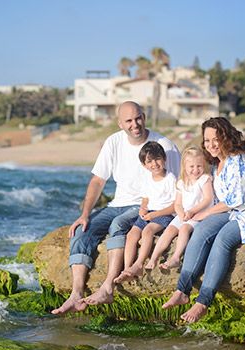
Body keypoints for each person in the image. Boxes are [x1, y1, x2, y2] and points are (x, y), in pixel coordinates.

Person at [51, 101, 180, 315]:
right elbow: (97, 181)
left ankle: (107, 287)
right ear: (120, 123)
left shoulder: (164, 145)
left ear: (144, 117)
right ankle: (76, 294)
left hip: (143, 207)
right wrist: (84, 215)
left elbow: (178, 185)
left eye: (138, 118)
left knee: (117, 226)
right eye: (128, 120)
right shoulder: (113, 142)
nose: (135, 124)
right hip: (116, 204)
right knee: (82, 231)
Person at [162, 117, 245, 323]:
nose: (210, 145)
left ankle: (203, 301)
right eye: (206, 140)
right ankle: (182, 290)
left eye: (215, 139)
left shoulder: (239, 160)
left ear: (225, 137)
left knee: (223, 239)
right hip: (236, 210)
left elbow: (237, 199)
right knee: (201, 231)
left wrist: (202, 214)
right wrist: (196, 214)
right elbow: (222, 201)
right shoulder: (219, 163)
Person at [113, 141, 176, 283]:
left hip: (164, 214)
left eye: (157, 159)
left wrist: (155, 214)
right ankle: (128, 268)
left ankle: (139, 264)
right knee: (132, 234)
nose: (154, 164)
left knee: (147, 231)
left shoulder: (170, 179)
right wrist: (143, 208)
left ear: (164, 158)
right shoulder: (148, 179)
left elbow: (175, 206)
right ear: (144, 165)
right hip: (149, 213)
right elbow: (146, 198)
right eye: (149, 161)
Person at [144, 146, 214, 271]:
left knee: (184, 229)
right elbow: (177, 204)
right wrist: (181, 214)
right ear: (185, 167)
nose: (195, 170)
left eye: (199, 166)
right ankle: (154, 258)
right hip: (183, 214)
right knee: (169, 230)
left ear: (204, 164)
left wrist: (192, 211)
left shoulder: (205, 179)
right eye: (191, 167)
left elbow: (207, 199)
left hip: (199, 215)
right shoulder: (181, 182)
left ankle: (176, 257)